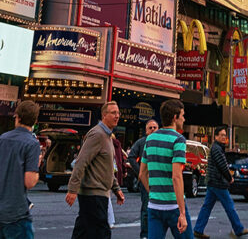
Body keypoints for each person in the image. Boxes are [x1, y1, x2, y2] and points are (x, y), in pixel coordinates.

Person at [65, 101, 125, 239]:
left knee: (84, 231)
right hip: (93, 193)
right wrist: (72, 189)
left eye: (118, 113)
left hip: (99, 193)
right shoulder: (97, 134)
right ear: (104, 115)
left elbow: (107, 167)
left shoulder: (107, 136)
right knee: (101, 232)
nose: (117, 116)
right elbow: (81, 161)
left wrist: (116, 189)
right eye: (113, 113)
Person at [0, 100, 41, 239]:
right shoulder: (32, 143)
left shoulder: (3, 139)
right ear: (34, 120)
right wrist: (37, 167)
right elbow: (29, 182)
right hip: (16, 212)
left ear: (18, 117)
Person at [139, 99, 192, 239]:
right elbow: (176, 176)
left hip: (154, 206)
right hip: (173, 205)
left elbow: (142, 174)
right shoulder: (178, 140)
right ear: (175, 118)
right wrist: (182, 213)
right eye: (182, 115)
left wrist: (153, 192)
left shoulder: (149, 140)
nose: (184, 119)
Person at [193, 126, 248, 238]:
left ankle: (198, 229)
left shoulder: (217, 148)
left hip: (213, 182)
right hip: (218, 183)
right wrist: (230, 178)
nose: (224, 137)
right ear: (216, 136)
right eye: (222, 135)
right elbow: (223, 166)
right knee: (229, 206)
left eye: (225, 135)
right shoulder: (216, 149)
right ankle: (238, 229)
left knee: (207, 207)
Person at [128, 119, 159, 239]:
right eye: (150, 128)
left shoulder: (161, 142)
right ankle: (145, 235)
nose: (152, 129)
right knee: (146, 208)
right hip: (146, 180)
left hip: (160, 181)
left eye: (154, 127)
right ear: (146, 131)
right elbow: (131, 157)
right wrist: (140, 173)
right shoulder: (141, 142)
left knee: (160, 209)